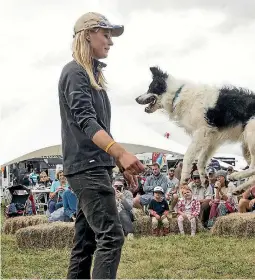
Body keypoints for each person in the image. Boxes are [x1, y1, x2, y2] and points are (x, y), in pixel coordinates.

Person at [58, 12, 145, 279]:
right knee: (111, 236)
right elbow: (85, 121)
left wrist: (117, 161)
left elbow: (98, 128)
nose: (110, 41)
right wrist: (119, 151)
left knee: (85, 243)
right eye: (105, 34)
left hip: (94, 165)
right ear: (87, 35)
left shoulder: (91, 75)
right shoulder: (75, 72)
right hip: (87, 167)